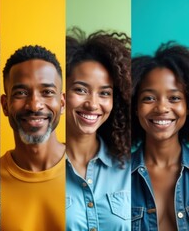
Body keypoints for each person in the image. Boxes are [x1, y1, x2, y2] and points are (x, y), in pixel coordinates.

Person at [65, 28, 131, 230]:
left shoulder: (131, 168)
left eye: (104, 93)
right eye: (81, 90)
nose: (93, 104)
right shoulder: (39, 167)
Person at [0, 45, 66, 230]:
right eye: (21, 93)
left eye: (47, 92)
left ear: (62, 103)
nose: (35, 105)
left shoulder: (90, 172)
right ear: (5, 105)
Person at [131, 43, 189, 231]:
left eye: (174, 98)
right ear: (135, 107)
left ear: (187, 107)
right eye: (149, 98)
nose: (162, 108)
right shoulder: (116, 176)